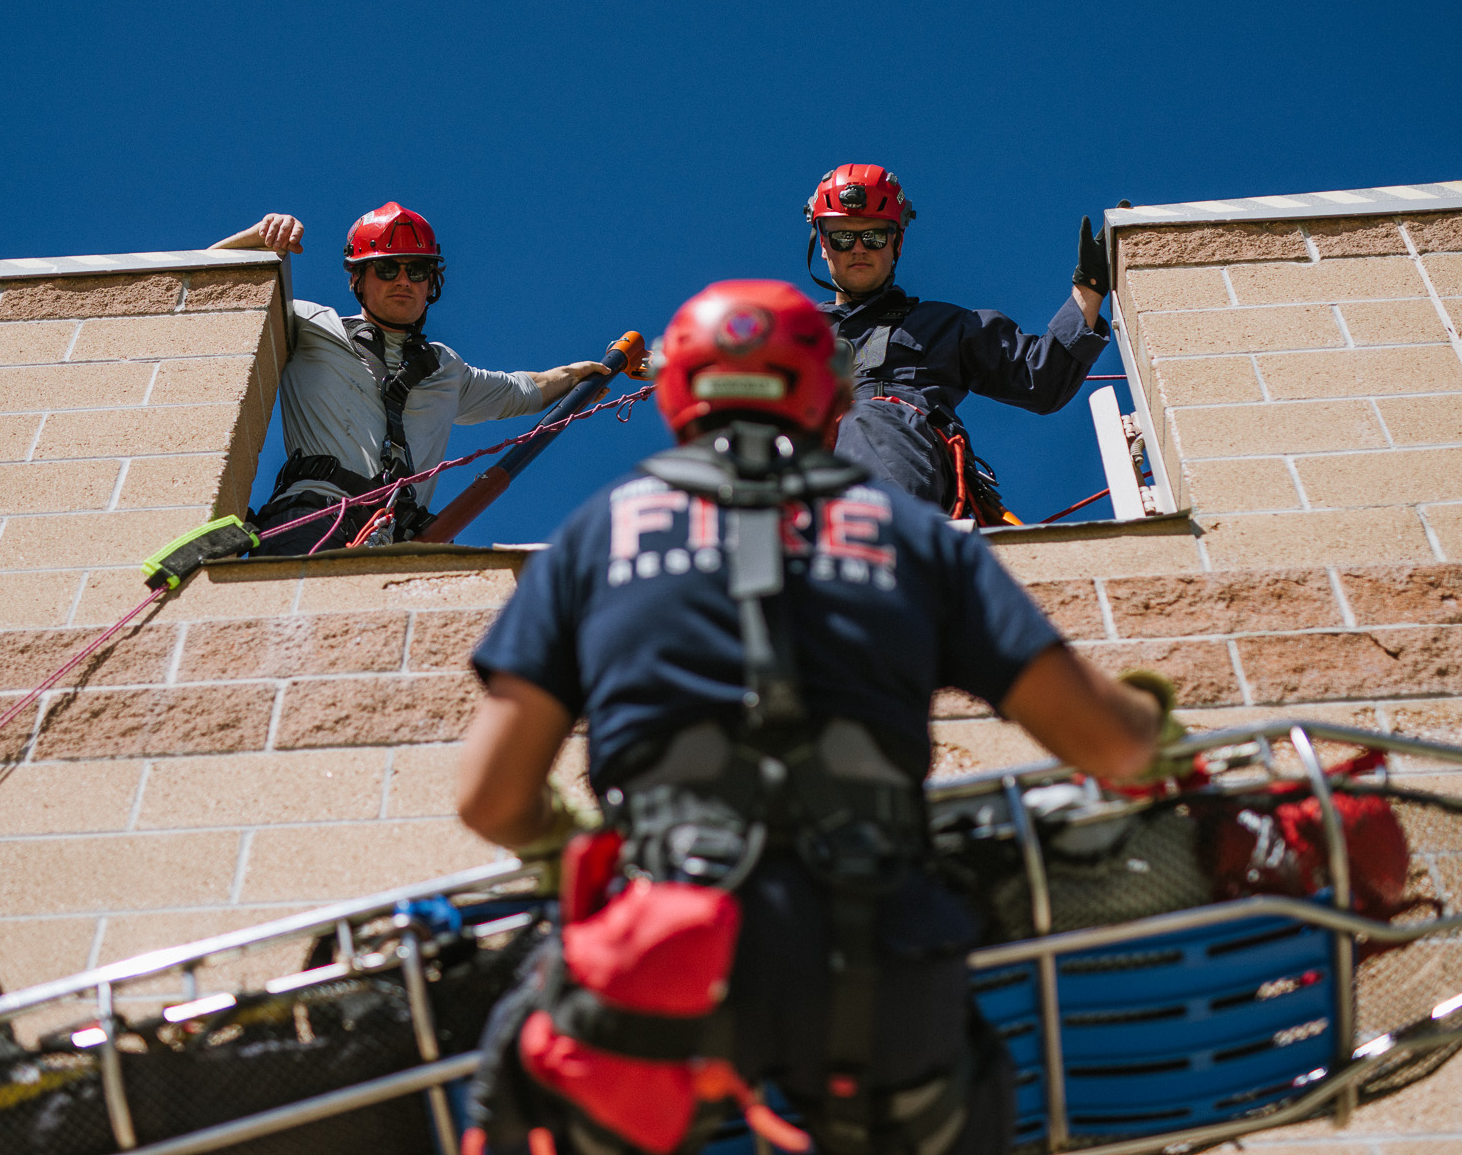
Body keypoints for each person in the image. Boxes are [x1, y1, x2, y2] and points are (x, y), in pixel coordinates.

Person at [454, 279, 1167, 1155]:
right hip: (882, 963)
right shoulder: (917, 536)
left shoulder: (598, 535)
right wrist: (1149, 712)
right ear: (832, 393)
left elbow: (489, 795)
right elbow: (1112, 744)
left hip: (664, 955)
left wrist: (561, 840)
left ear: (679, 391)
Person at [210, 207, 608, 552]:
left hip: (396, 540)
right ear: (358, 280)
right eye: (387, 268)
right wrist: (256, 238)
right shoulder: (311, 325)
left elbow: (527, 389)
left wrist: (581, 376)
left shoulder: (445, 368)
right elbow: (192, 293)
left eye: (416, 270)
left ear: (430, 283)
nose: (403, 280)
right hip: (313, 520)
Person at [803, 164, 1115, 522]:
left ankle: (890, 539)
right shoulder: (792, 337)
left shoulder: (944, 325)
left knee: (869, 418)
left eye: (873, 237)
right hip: (804, 472)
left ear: (897, 243)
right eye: (843, 238)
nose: (858, 248)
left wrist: (1089, 288)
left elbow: (1041, 380)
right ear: (823, 245)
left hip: (907, 460)